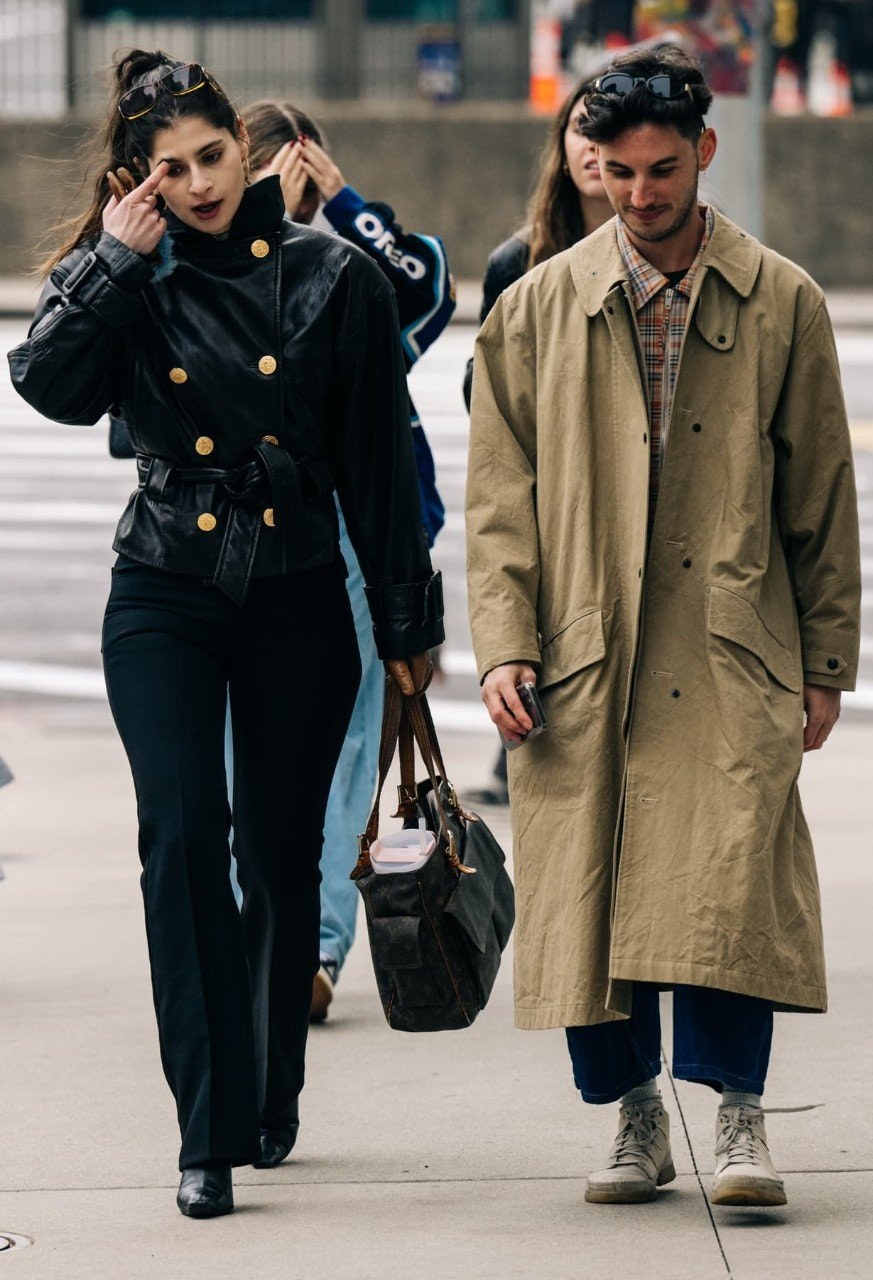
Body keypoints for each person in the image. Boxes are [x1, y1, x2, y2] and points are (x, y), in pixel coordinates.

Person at [8, 49, 443, 1220]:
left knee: (279, 852)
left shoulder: (332, 278)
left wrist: (407, 626)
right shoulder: (127, 273)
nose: (199, 183)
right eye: (171, 167)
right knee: (185, 832)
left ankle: (269, 1086)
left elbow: (374, 469)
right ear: (135, 178)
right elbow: (44, 384)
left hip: (299, 586)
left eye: (212, 156)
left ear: (244, 151)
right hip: (167, 585)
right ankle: (207, 1126)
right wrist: (109, 259)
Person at [466, 43, 860, 1210]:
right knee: (589, 879)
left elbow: (822, 497)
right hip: (587, 645)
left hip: (733, 641)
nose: (641, 195)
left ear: (706, 152)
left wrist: (827, 659)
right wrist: (504, 640)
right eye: (621, 172)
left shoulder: (780, 298)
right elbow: (499, 497)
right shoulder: (538, 306)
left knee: (730, 880)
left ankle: (739, 1116)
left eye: (663, 171)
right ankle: (634, 1113)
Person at [241, 100, 455, 1021]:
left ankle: (314, 950)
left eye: (308, 164)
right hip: (246, 531)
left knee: (344, 751)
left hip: (357, 534)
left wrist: (345, 209)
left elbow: (427, 291)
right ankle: (260, 937)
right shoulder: (213, 261)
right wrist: (267, 224)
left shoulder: (357, 264)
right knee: (232, 761)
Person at [463, 76, 612, 806]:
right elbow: (483, 398)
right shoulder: (516, 263)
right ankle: (517, 749)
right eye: (578, 130)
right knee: (538, 618)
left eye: (602, 130)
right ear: (560, 146)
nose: (590, 147)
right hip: (550, 490)